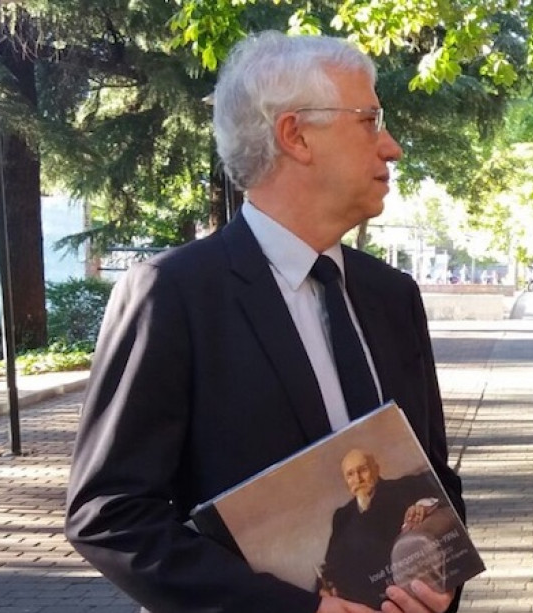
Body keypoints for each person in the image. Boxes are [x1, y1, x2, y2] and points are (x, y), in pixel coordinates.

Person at [65, 31, 459, 613]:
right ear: (295, 135)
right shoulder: (172, 295)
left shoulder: (392, 295)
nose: (392, 147)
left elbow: (433, 476)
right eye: (369, 121)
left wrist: (437, 585)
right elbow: (110, 515)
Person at [320, 450, 444, 607]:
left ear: (376, 469)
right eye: (350, 474)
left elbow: (440, 489)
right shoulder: (342, 515)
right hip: (361, 602)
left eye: (363, 470)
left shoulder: (401, 488)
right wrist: (324, 588)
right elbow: (331, 563)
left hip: (406, 593)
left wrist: (422, 506)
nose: (357, 479)